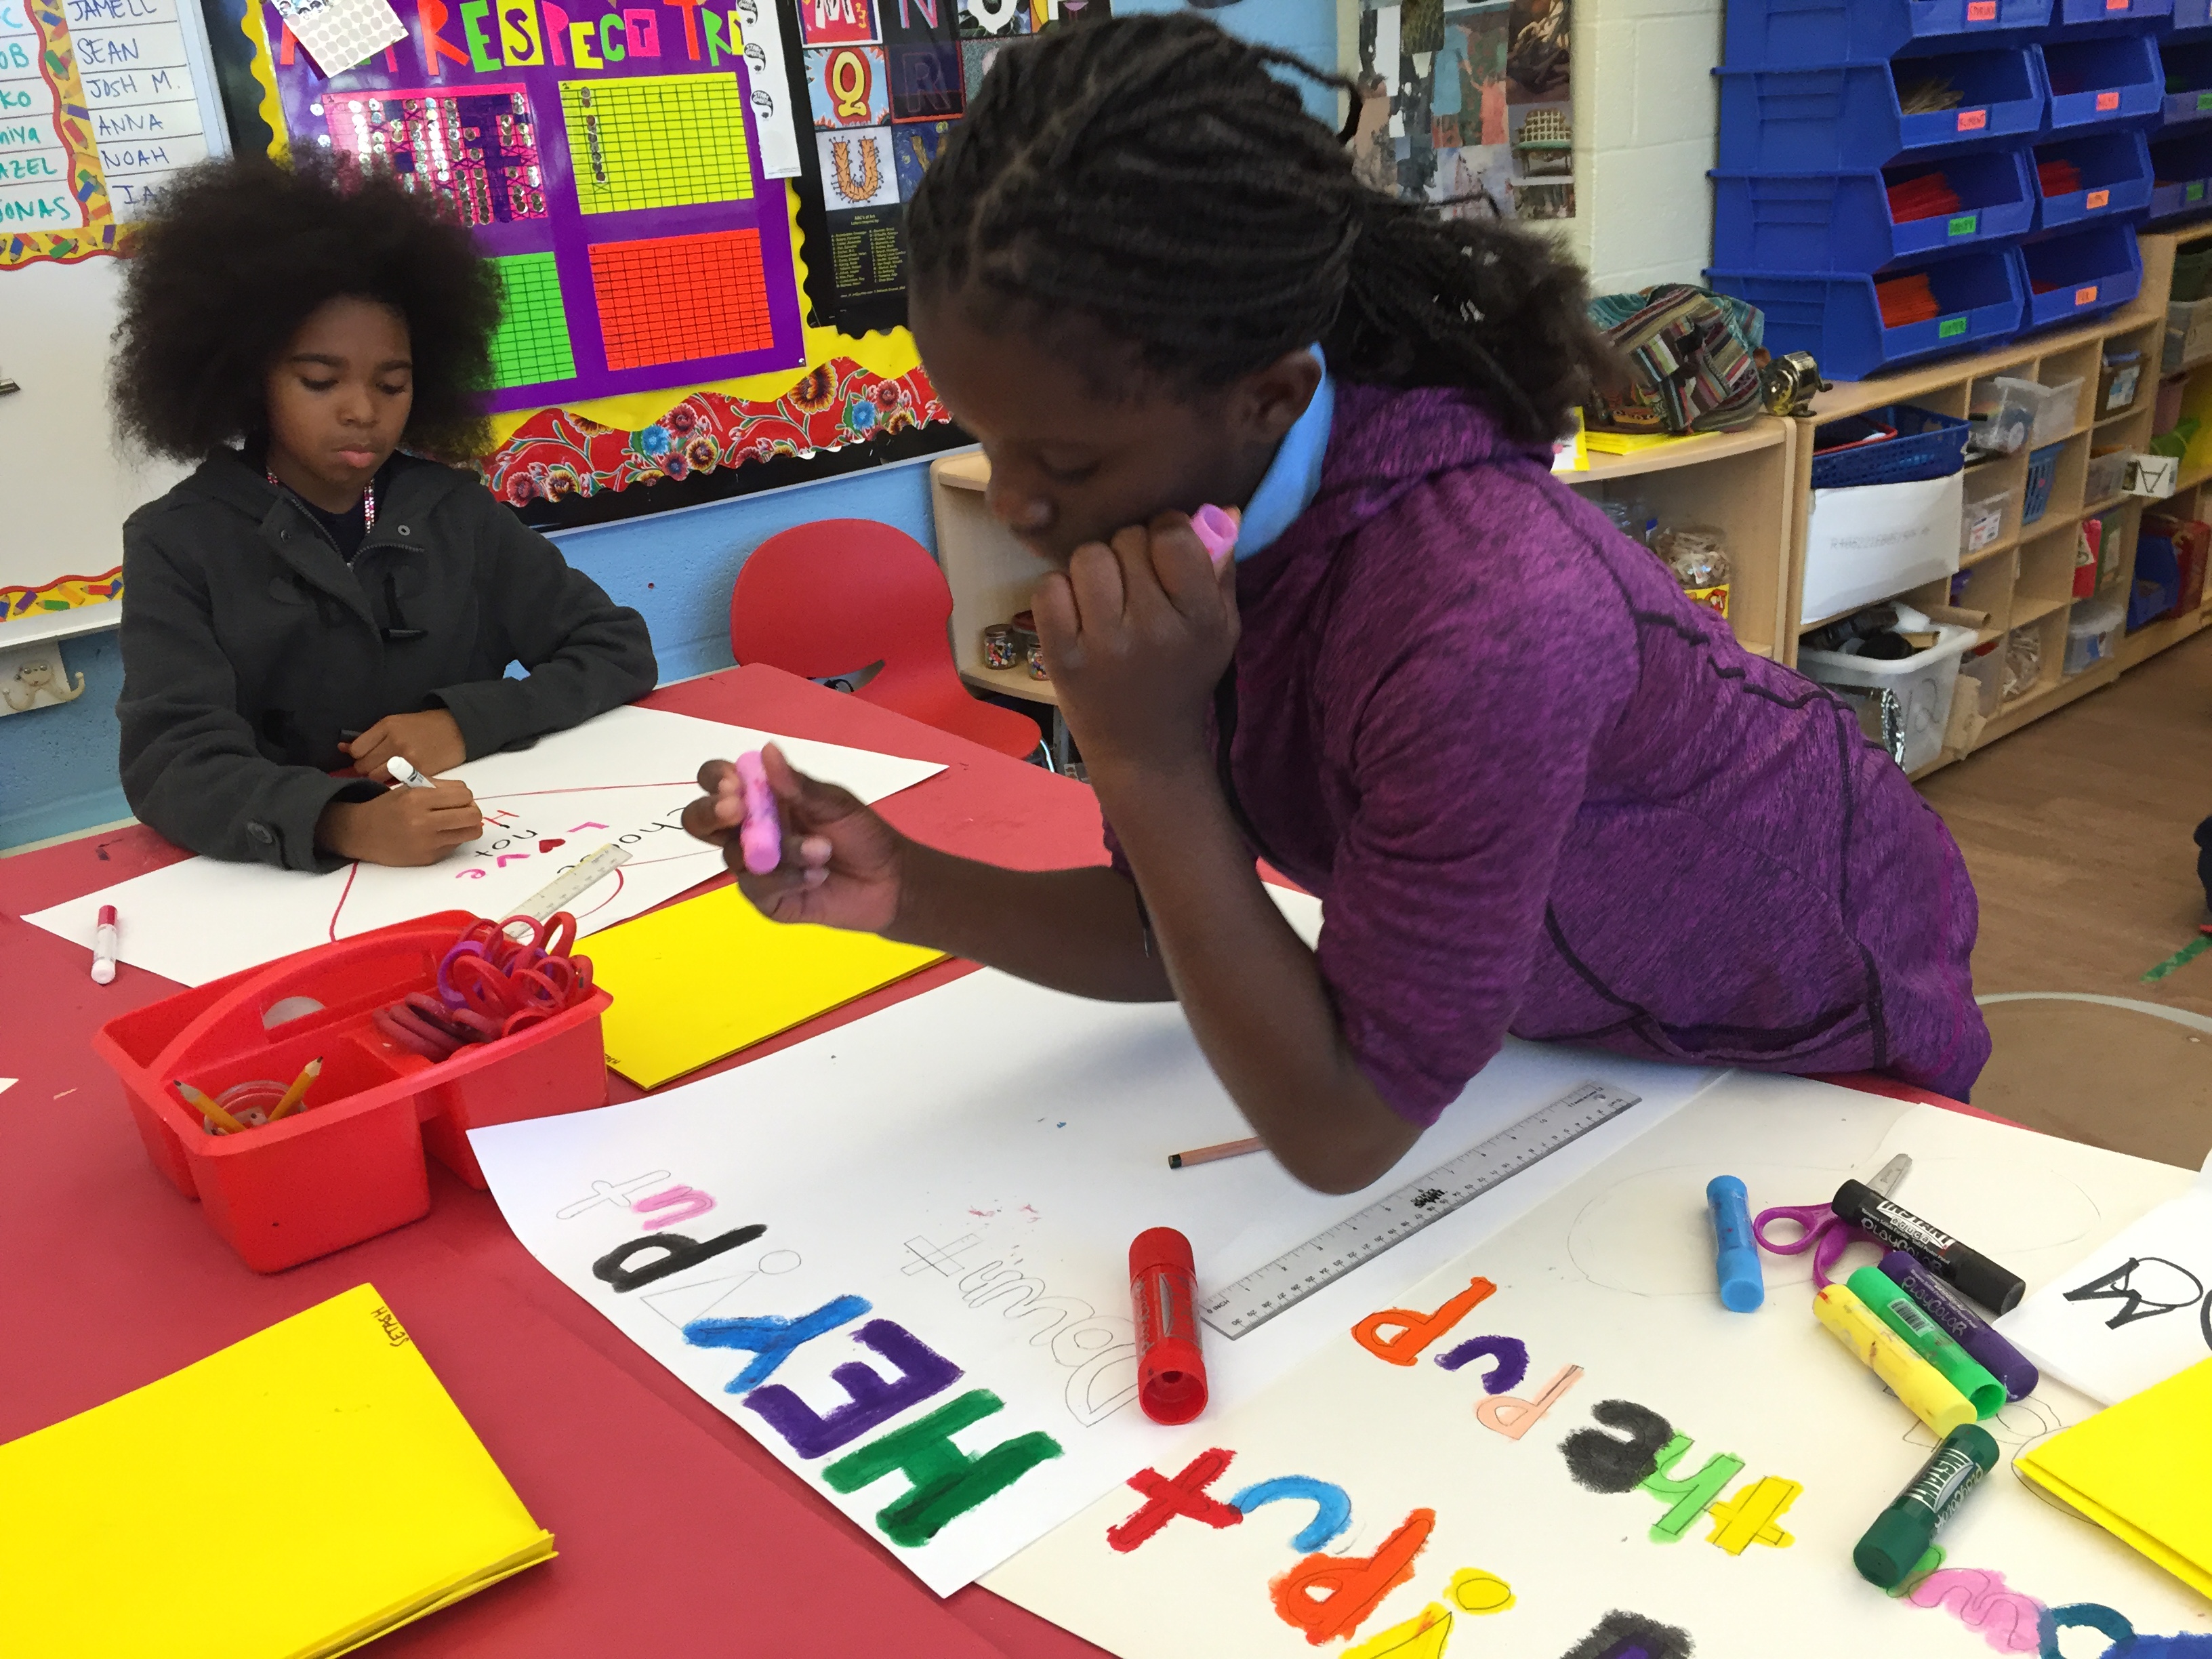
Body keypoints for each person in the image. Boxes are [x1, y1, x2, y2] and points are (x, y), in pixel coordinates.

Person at [683, 14, 1990, 1193]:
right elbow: (1167, 926)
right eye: (990, 442)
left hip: (1805, 1023)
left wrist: (1145, 754)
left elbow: (1341, 1127)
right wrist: (905, 884)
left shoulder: (1482, 615)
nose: (1017, 506)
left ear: (1268, 395)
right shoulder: (1209, 521)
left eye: (1064, 461)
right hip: (1579, 1018)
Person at [110, 154, 657, 870]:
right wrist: (339, 821)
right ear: (249, 377)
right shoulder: (179, 541)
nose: (363, 411)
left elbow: (616, 649)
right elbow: (170, 761)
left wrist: (462, 722)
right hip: (290, 884)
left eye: (392, 385)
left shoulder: (456, 512)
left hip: (483, 852)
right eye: (319, 380)